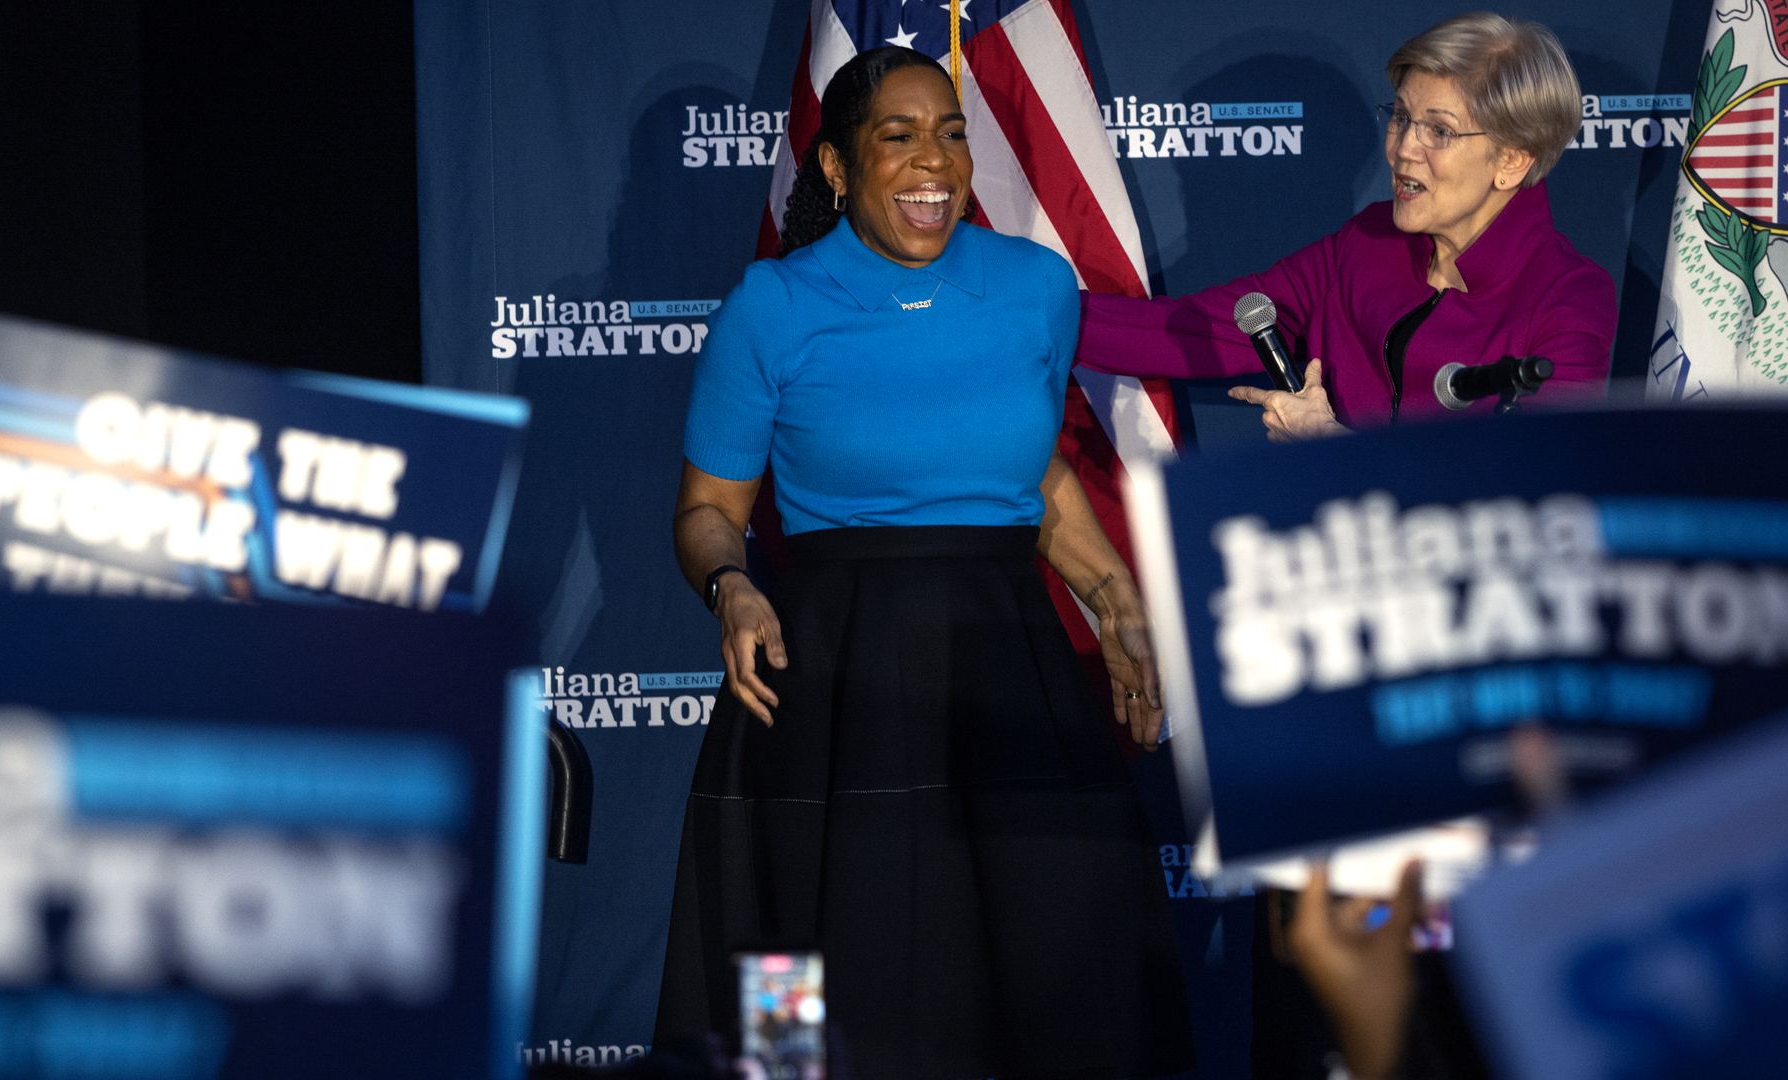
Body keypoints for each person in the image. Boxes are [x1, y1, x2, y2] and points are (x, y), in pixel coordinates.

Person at [655, 45, 1192, 1079]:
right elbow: (707, 512)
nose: (934, 160)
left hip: (1009, 663)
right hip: (831, 677)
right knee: (808, 963)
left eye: (950, 132)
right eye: (896, 137)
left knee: (1055, 960)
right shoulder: (772, 306)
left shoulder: (1037, 289)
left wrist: (1116, 602)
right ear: (837, 170)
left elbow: (1030, 477)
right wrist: (731, 588)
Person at [1078, 12, 1615, 440]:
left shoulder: (1568, 297)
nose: (1403, 149)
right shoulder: (1368, 242)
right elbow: (1201, 328)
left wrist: (1328, 447)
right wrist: (1031, 313)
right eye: (1402, 117)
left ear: (1512, 162)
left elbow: (1538, 493)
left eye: (1440, 132)